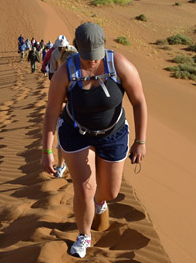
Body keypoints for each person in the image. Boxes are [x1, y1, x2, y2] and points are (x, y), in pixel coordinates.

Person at [41, 23, 148, 258]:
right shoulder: (64, 73)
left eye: (96, 56)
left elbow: (139, 101)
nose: (91, 61)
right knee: (84, 189)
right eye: (86, 56)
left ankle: (101, 203)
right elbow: (51, 112)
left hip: (113, 134)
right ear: (77, 47)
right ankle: (84, 234)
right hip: (77, 134)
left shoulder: (119, 65)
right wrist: (47, 151)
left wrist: (140, 141)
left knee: (109, 192)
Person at [54, 48, 78, 178]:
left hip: (81, 120)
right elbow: (56, 106)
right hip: (66, 119)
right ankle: (60, 166)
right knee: (62, 144)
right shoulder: (60, 78)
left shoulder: (83, 77)